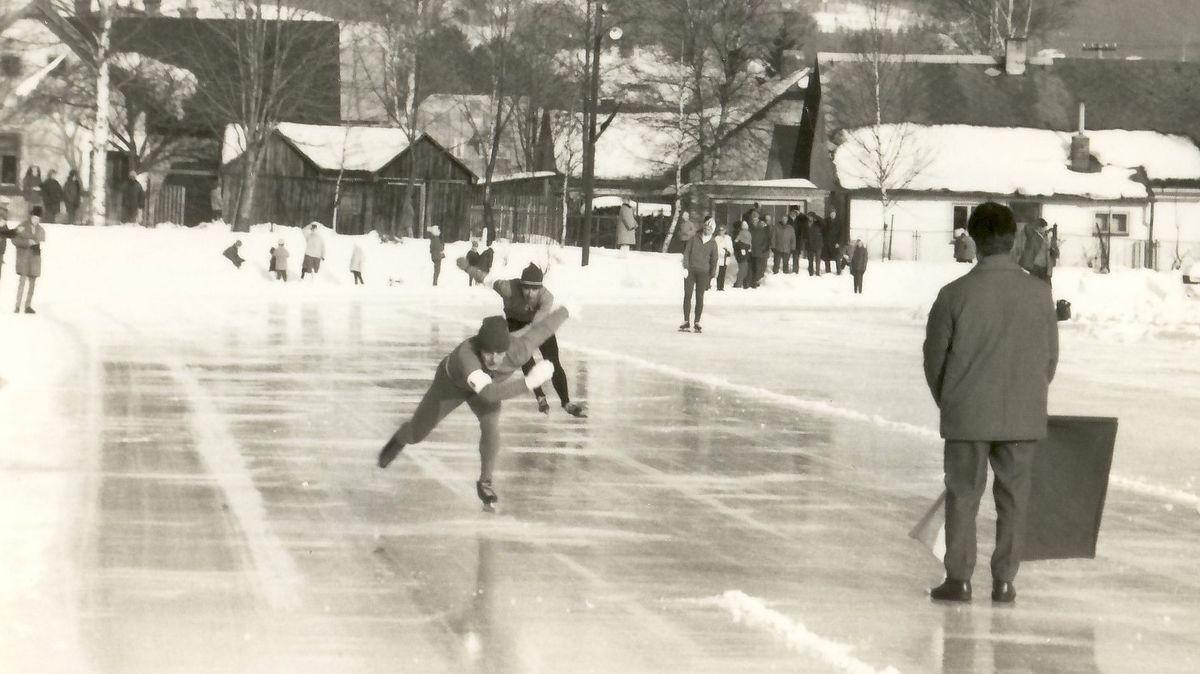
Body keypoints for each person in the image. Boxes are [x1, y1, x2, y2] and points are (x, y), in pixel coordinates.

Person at [923, 201, 1059, 605]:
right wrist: (1028, 392)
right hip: (1022, 413)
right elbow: (1049, 359)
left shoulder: (953, 295)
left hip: (967, 411)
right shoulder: (1039, 295)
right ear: (1013, 238)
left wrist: (951, 398)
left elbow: (934, 359)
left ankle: (959, 578)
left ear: (975, 240)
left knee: (963, 496)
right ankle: (1004, 581)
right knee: (1014, 500)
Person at [376, 306, 573, 508]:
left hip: (487, 386)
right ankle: (401, 438)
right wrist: (529, 382)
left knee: (491, 425)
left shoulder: (519, 350)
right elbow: (490, 393)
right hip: (451, 385)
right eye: (489, 353)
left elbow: (543, 329)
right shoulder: (466, 357)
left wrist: (566, 310)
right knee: (416, 434)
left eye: (500, 353)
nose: (494, 359)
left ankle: (485, 482)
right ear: (480, 348)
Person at [457, 259, 588, 418]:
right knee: (523, 357)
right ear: (521, 285)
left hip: (536, 324)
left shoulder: (547, 298)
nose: (530, 293)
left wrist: (511, 338)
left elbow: (535, 327)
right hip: (514, 322)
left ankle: (566, 401)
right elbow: (486, 278)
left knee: (553, 361)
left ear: (540, 288)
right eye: (526, 288)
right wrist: (468, 267)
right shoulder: (508, 288)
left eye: (535, 289)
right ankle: (540, 396)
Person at [679, 216, 718, 332]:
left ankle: (697, 322)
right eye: (706, 226)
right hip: (690, 270)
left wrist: (712, 276)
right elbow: (686, 253)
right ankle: (686, 321)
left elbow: (714, 260)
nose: (707, 229)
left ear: (713, 230)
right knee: (688, 295)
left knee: (699, 297)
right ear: (704, 227)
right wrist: (685, 267)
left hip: (703, 272)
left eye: (710, 228)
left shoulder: (713, 243)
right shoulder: (694, 238)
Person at [12, 206, 46, 314]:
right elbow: (14, 240)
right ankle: (17, 306)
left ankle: (28, 306)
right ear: (31, 216)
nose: (36, 220)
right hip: (24, 258)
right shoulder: (22, 226)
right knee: (22, 282)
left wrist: (30, 238)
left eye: (38, 218)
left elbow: (42, 238)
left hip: (35, 258)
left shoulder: (40, 229)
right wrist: (27, 242)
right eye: (34, 217)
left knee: (32, 283)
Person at [1015, 218, 1058, 284]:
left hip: (1044, 268)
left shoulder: (1046, 237)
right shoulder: (1032, 236)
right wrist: (1037, 222)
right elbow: (1027, 227)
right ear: (1039, 227)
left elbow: (1052, 254)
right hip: (1034, 267)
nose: (1045, 229)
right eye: (1044, 228)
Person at [749, 214, 771, 287]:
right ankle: (752, 282)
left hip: (759, 252)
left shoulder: (762, 229)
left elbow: (766, 240)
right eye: (753, 220)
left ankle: (755, 282)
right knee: (752, 268)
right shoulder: (750, 228)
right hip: (751, 251)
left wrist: (762, 248)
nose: (755, 221)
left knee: (758, 268)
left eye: (756, 220)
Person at [714, 222, 735, 291]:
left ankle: (721, 286)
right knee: (719, 272)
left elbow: (730, 246)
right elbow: (717, 248)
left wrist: (729, 251)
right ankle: (718, 286)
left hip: (726, 257)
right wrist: (722, 252)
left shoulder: (728, 238)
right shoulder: (717, 238)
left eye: (723, 230)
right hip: (720, 257)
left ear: (725, 231)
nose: (721, 232)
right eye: (720, 230)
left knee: (723, 271)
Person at [732, 222, 752, 289]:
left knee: (744, 268)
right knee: (743, 268)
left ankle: (740, 283)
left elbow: (736, 241)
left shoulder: (745, 233)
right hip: (743, 251)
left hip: (744, 251)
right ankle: (739, 284)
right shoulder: (743, 233)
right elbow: (737, 241)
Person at [788, 207, 807, 274]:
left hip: (797, 243)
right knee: (786, 258)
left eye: (794, 213)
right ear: (790, 213)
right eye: (792, 213)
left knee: (796, 258)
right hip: (788, 243)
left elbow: (806, 218)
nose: (793, 214)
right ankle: (785, 272)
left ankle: (795, 272)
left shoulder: (800, 221)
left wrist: (800, 213)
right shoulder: (787, 220)